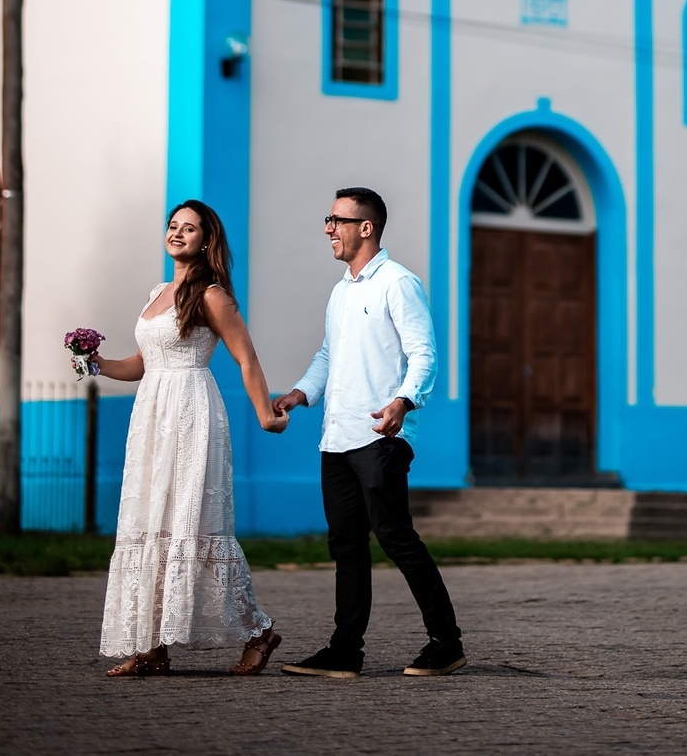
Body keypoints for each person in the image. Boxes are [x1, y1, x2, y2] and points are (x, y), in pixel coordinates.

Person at [90, 199, 288, 677]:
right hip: (152, 414)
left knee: (192, 524)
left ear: (206, 239)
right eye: (173, 225)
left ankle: (258, 632)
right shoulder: (158, 291)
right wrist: (94, 361)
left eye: (190, 228)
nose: (177, 233)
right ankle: (152, 647)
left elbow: (247, 357)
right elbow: (141, 363)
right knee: (150, 521)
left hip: (191, 412)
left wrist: (265, 412)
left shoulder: (212, 295)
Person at [275, 187, 465, 679]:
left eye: (336, 220)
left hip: (381, 434)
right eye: (328, 219)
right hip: (336, 437)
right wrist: (300, 394)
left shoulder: (398, 284)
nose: (327, 229)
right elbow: (327, 356)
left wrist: (404, 402)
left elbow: (424, 353)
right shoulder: (341, 291)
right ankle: (345, 651)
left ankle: (446, 644)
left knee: (396, 537)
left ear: (366, 227)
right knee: (346, 547)